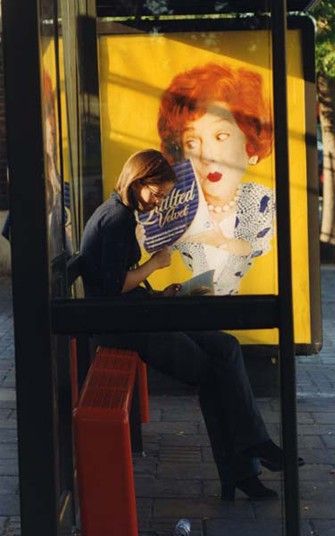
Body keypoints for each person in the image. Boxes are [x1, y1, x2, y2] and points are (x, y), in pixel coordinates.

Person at [80, 149, 300, 502]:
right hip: (125, 325)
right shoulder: (117, 219)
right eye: (156, 194)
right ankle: (246, 462)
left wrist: (159, 291)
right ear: (137, 181)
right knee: (213, 374)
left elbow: (118, 283)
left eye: (164, 196)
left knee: (225, 347)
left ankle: (251, 451)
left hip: (137, 313)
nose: (157, 203)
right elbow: (113, 286)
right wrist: (154, 264)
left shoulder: (118, 212)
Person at [157, 63, 275, 295]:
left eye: (221, 136)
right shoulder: (171, 206)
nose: (207, 156)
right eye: (191, 142)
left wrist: (222, 242)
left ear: (250, 143)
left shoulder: (265, 205)